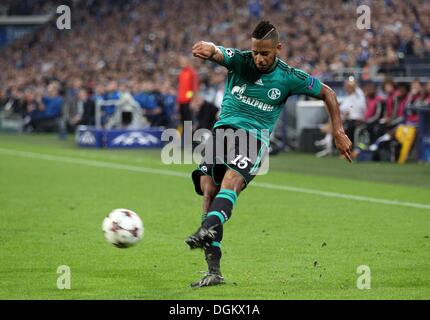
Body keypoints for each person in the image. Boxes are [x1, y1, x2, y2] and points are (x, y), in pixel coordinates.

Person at [185, 21, 352, 288]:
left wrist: (339, 130)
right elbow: (221, 53)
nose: (259, 59)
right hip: (221, 133)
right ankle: (213, 271)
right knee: (209, 193)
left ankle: (206, 230)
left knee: (232, 184)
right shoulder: (241, 61)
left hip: (252, 139)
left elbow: (328, 93)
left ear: (278, 48)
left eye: (266, 53)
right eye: (256, 53)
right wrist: (210, 48)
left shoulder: (289, 76)